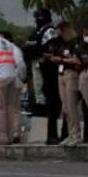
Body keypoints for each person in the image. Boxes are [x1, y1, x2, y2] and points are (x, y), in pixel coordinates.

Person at [32, 9, 62, 144]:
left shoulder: (49, 31)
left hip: (53, 71)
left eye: (39, 18)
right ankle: (51, 135)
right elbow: (30, 50)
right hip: (44, 71)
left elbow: (51, 50)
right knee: (50, 103)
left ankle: (54, 135)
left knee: (55, 104)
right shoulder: (38, 32)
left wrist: (41, 53)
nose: (37, 20)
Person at [50, 22, 82, 147]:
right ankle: (71, 133)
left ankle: (76, 135)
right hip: (61, 73)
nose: (58, 34)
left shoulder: (76, 43)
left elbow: (77, 60)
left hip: (71, 73)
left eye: (59, 31)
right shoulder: (62, 44)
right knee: (66, 107)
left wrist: (62, 60)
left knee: (71, 105)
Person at [1, 31, 27, 143]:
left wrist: (20, 78)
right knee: (7, 108)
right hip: (7, 80)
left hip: (13, 81)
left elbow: (21, 65)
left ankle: (15, 133)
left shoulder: (14, 50)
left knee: (14, 108)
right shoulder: (7, 50)